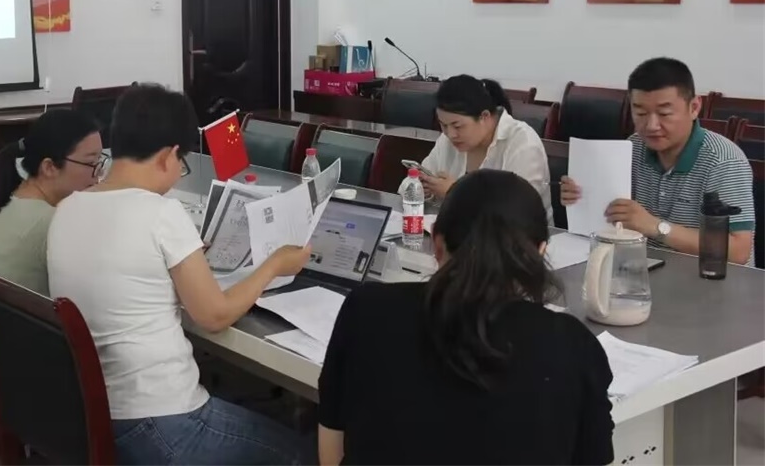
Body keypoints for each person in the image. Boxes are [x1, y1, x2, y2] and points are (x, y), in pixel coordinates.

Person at [47, 83, 311, 464]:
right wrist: (274, 265)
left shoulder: (67, 209)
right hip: (164, 425)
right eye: (182, 163)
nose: (177, 175)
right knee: (303, 452)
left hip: (94, 420)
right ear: (168, 156)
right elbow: (213, 316)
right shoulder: (161, 213)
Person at [319, 170, 614, 465]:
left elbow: (331, 439)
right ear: (539, 252)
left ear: (436, 243)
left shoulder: (367, 309)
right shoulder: (572, 344)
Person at [561, 58, 755, 265]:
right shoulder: (634, 146)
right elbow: (616, 219)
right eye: (641, 113)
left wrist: (655, 226)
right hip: (645, 266)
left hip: (709, 275)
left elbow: (738, 251)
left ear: (694, 107)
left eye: (664, 113)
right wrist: (582, 197)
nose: (651, 125)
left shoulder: (723, 160)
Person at [0, 109, 103, 386]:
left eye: (101, 162)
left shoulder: (6, 201)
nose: (98, 176)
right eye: (91, 163)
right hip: (24, 378)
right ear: (49, 167)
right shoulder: (52, 223)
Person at [406, 75, 552, 222]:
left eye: (458, 126)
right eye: (443, 125)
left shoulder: (523, 143)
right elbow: (408, 186)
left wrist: (456, 194)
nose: (450, 134)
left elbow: (517, 211)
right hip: (457, 229)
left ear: (484, 117)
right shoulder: (448, 139)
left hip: (517, 233)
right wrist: (422, 189)